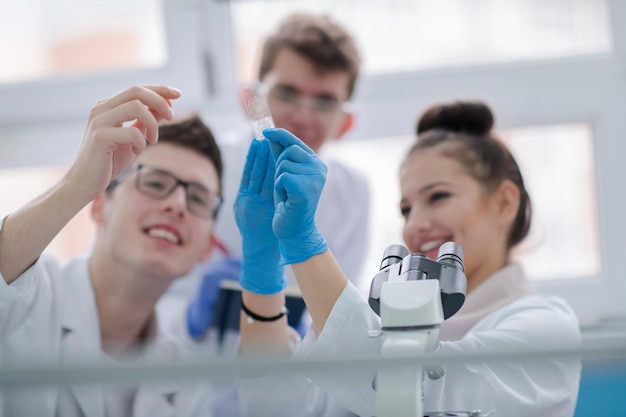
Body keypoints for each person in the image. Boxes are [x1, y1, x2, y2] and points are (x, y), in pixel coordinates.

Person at [234, 101, 582, 416]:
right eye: (406, 209)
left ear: (505, 202)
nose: (415, 225)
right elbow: (278, 408)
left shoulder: (547, 328)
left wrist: (304, 244)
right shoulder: (385, 326)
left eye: (439, 196)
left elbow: (411, 389)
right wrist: (262, 275)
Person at [0, 85, 223, 417]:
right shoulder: (29, 299)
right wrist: (76, 184)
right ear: (99, 204)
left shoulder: (190, 383)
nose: (178, 205)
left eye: (199, 199)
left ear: (207, 247)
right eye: (156, 183)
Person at [183, 12, 369, 345]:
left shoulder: (353, 192)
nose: (303, 115)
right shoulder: (201, 166)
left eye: (325, 102)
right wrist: (189, 314)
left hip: (295, 376)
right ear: (249, 99)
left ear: (346, 122)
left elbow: (343, 318)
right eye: (286, 93)